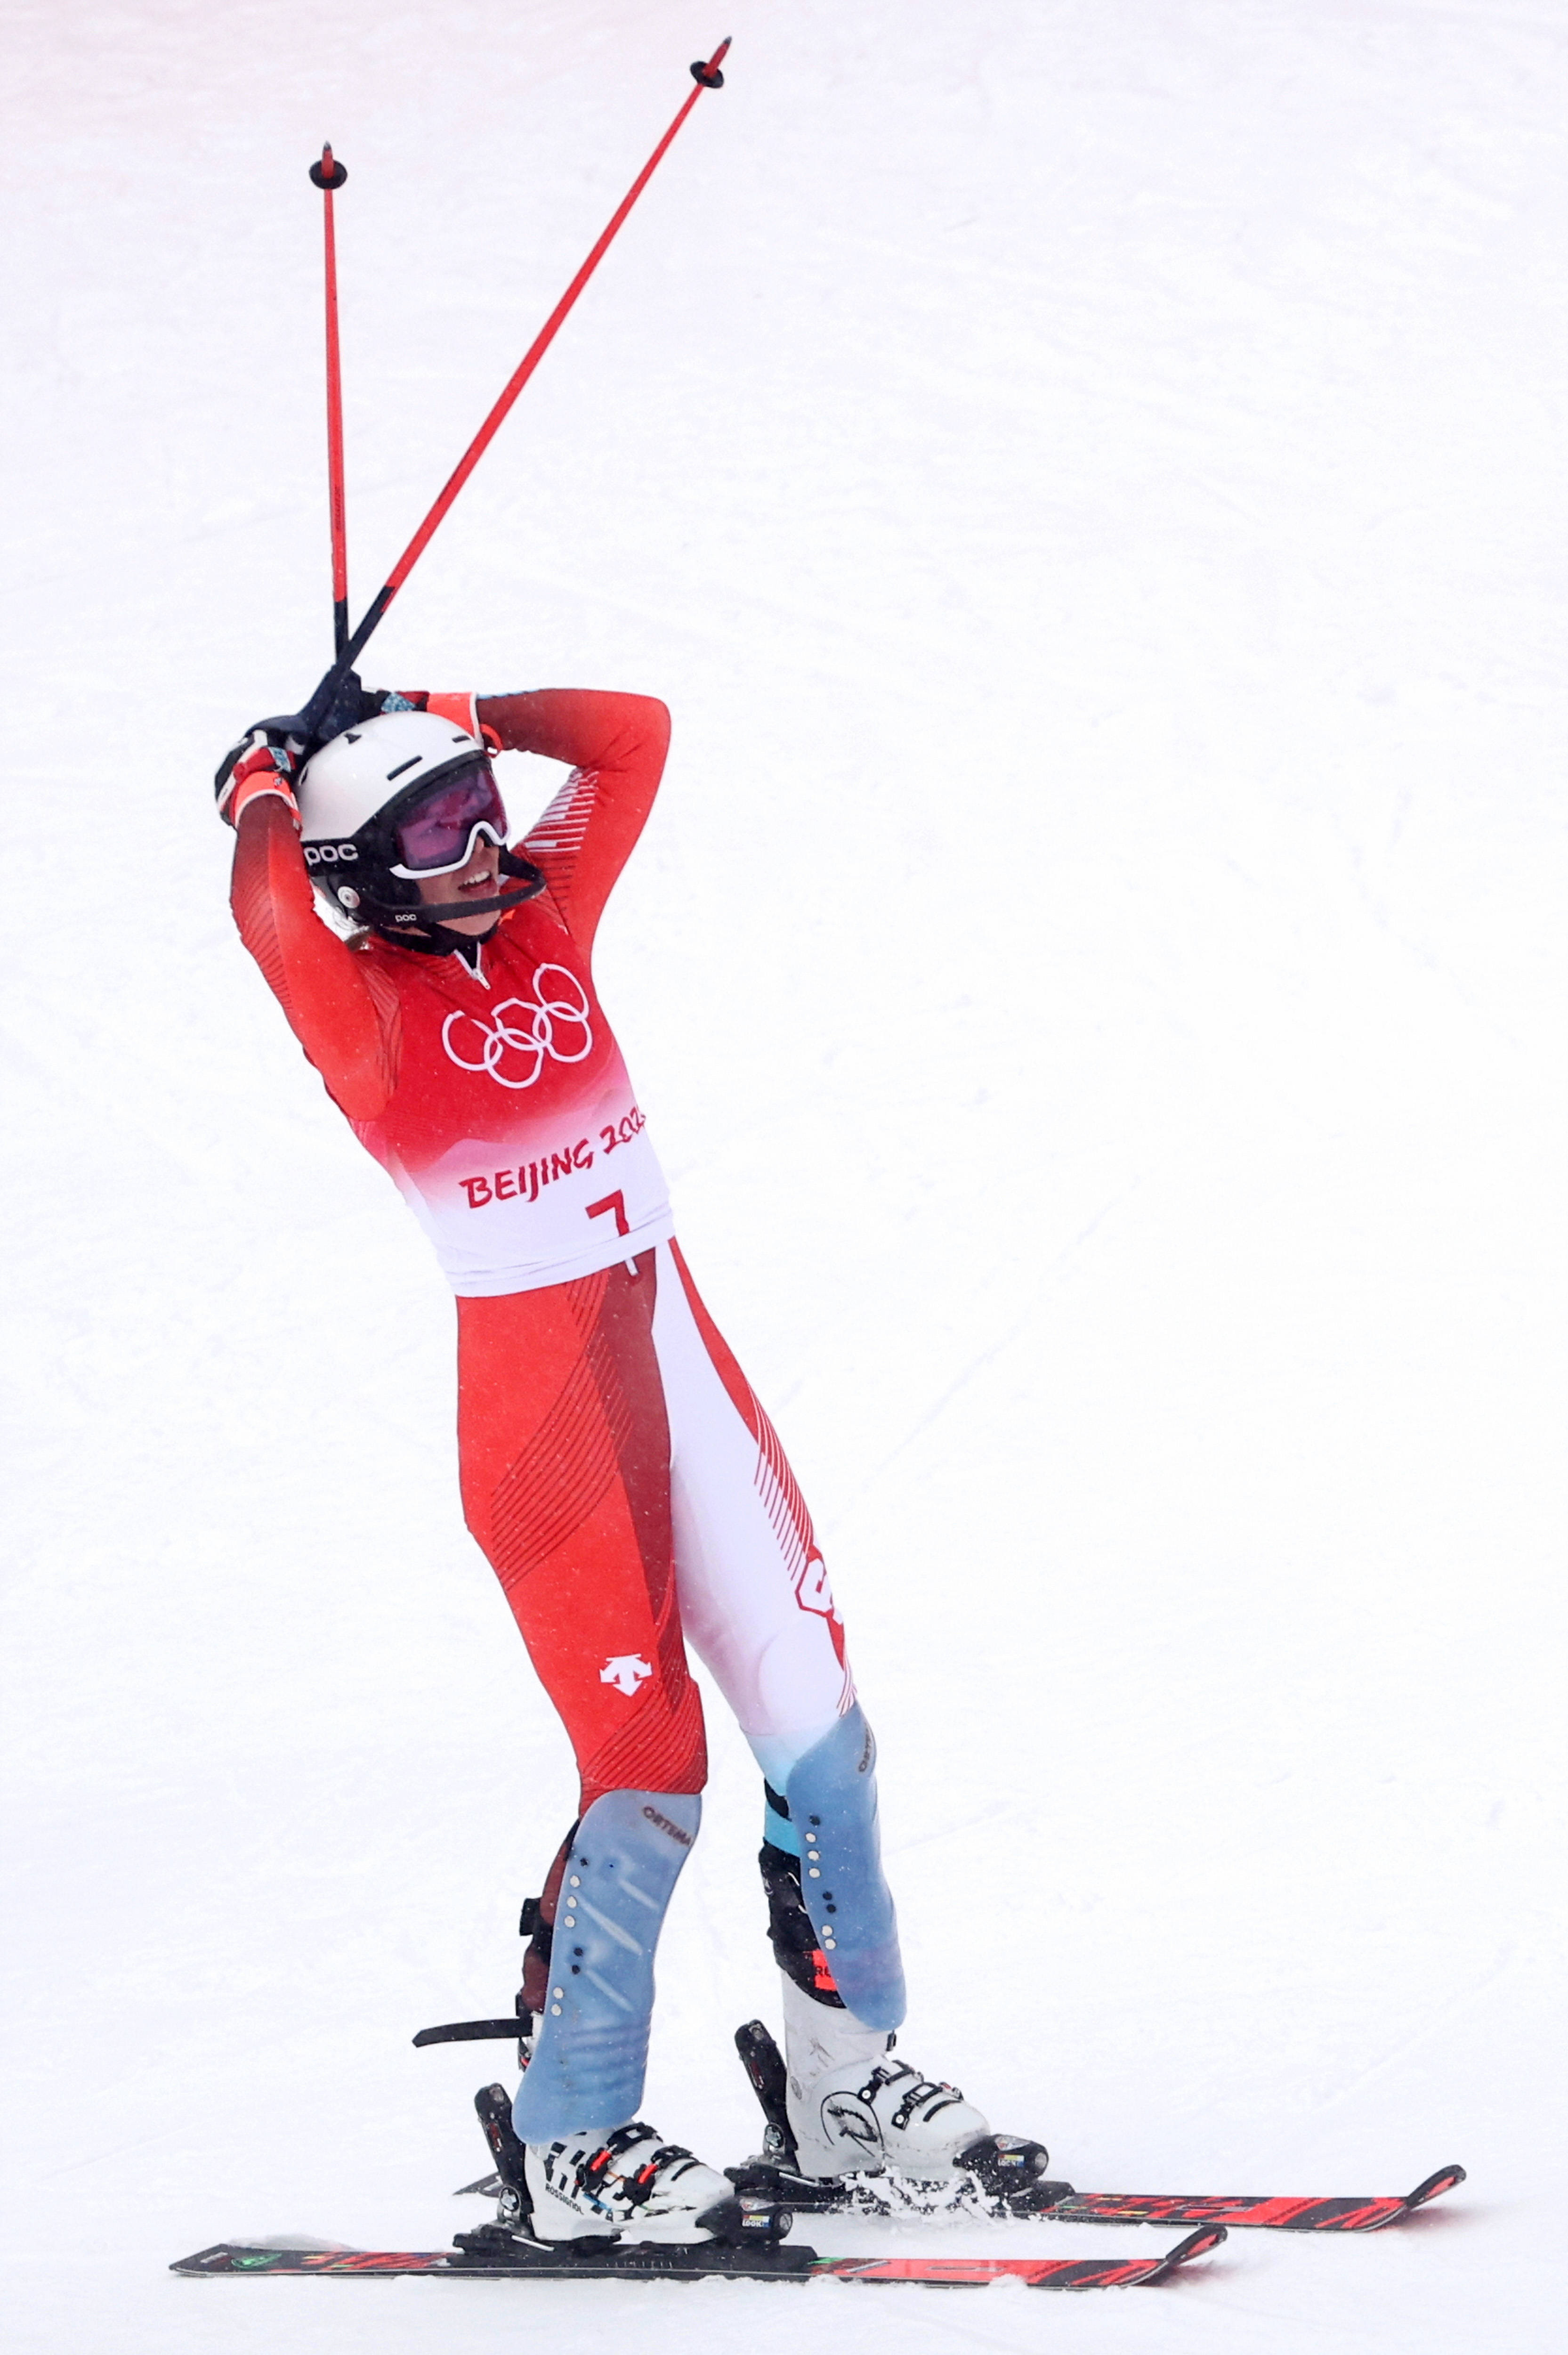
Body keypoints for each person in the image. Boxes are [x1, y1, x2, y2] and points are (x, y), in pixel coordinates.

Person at [217, 683, 994, 2245]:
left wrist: (453, 709)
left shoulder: (542, 918)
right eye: (438, 820)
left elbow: (629, 734)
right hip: (546, 1412)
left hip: (673, 1349)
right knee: (644, 1777)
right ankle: (577, 2139)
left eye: (480, 798)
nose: (486, 829)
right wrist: (258, 781)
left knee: (821, 1732)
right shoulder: (359, 1008)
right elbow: (262, 904)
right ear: (360, 870)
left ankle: (843, 2084)